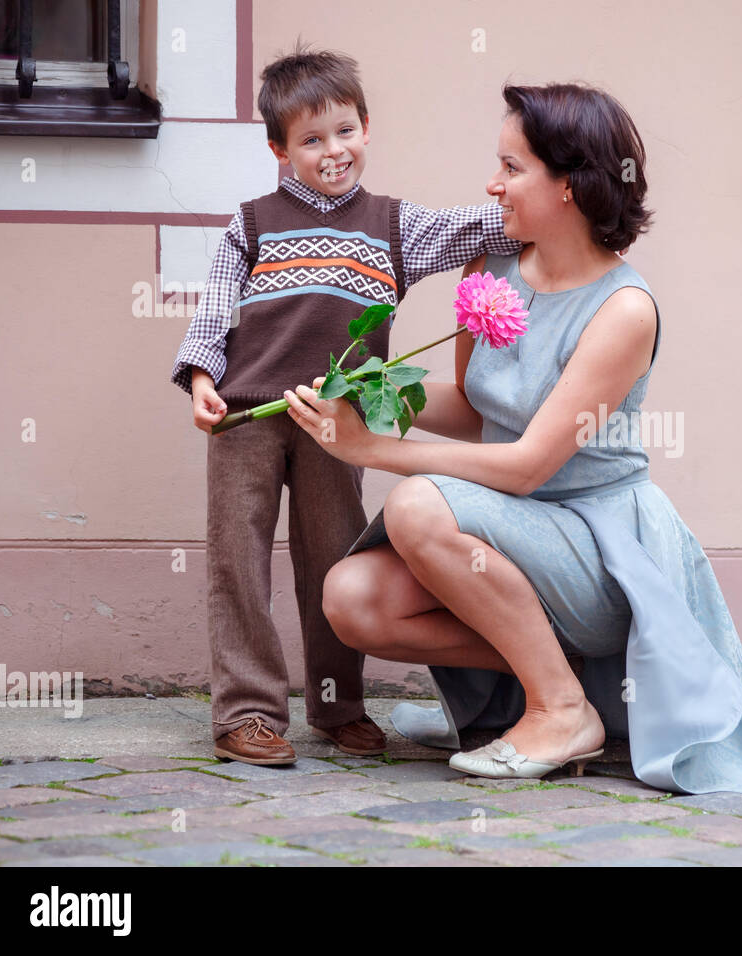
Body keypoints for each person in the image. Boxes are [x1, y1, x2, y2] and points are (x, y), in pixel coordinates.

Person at [282, 82, 742, 794]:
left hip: (596, 548)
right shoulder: (491, 269)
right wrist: (367, 400)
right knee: (351, 598)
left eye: (512, 167)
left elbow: (531, 465)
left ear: (569, 185)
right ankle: (574, 684)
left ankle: (560, 711)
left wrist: (375, 451)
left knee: (414, 504)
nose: (492, 184)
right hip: (508, 534)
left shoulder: (624, 309)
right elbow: (477, 408)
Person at [170, 45, 521, 765]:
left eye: (343, 131)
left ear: (366, 127)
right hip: (247, 417)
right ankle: (246, 712)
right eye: (310, 139)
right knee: (238, 561)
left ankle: (336, 706)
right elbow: (214, 312)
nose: (332, 151)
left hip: (340, 421)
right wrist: (202, 380)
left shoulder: (395, 226)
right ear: (279, 150)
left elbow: (477, 230)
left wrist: (531, 200)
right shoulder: (252, 223)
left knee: (333, 559)